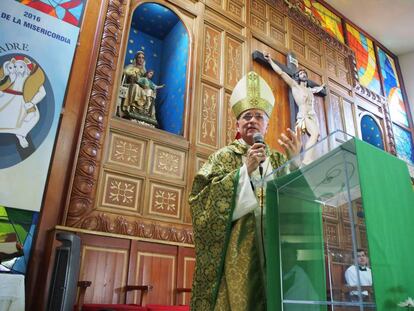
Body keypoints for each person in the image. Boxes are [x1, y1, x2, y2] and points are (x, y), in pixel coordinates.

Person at [189, 71, 302, 310]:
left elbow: (294, 203)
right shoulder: (223, 157)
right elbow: (201, 202)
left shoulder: (279, 158)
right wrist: (244, 173)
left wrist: (295, 163)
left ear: (267, 124)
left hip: (275, 252)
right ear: (237, 124)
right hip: (239, 253)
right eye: (246, 116)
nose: (252, 120)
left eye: (258, 116)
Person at [264, 52, 325, 164]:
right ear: (298, 76)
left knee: (315, 137)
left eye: (304, 73)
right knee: (314, 133)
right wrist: (270, 60)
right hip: (304, 115)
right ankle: (307, 160)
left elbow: (318, 89)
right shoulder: (295, 86)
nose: (303, 74)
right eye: (301, 73)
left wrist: (322, 87)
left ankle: (308, 159)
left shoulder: (310, 90)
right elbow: (281, 73)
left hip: (313, 115)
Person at [0, 56, 46, 148]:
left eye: (20, 67)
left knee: (32, 117)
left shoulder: (31, 79)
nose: (17, 69)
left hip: (23, 100)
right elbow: (4, 84)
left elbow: (42, 92)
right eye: (15, 67)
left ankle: (21, 135)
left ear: (25, 68)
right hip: (7, 97)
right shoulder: (12, 75)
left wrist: (32, 103)